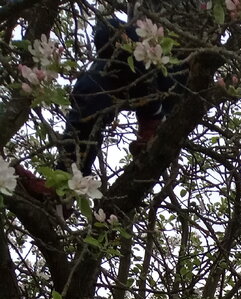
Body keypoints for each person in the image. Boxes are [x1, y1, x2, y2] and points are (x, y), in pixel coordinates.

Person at [16, 11, 190, 201]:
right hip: (131, 60)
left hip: (173, 64)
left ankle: (153, 117)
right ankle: (66, 188)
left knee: (109, 30)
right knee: (89, 87)